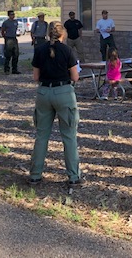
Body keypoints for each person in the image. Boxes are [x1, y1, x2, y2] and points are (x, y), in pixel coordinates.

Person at [29, 21, 82, 186]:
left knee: (41, 136)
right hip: (63, 92)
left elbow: (35, 77)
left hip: (44, 92)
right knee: (69, 136)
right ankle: (73, 176)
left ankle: (35, 175)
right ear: (63, 34)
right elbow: (75, 77)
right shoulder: (67, 50)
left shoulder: (39, 50)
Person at [1, 10, 21, 74]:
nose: (13, 16)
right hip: (8, 39)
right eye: (11, 14)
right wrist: (5, 37)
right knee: (8, 55)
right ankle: (6, 69)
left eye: (13, 14)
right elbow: (2, 31)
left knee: (16, 54)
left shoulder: (15, 22)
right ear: (9, 15)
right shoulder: (5, 22)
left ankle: (14, 69)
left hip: (14, 38)